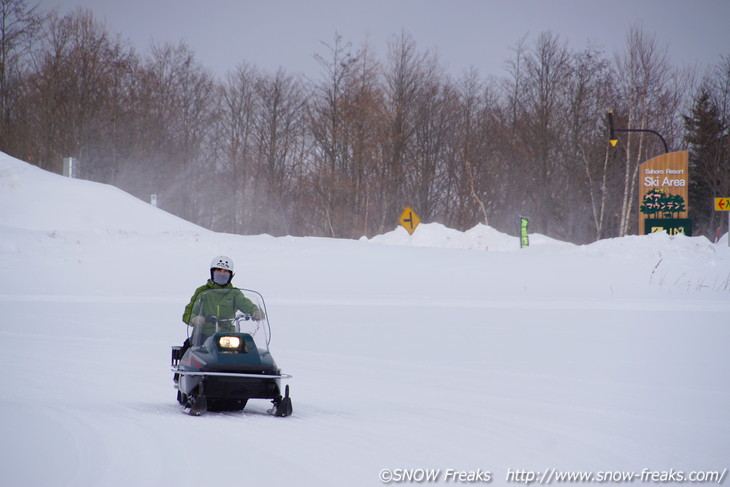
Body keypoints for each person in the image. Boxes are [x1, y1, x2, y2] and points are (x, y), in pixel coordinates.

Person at [180, 255, 264, 349]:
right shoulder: (202, 292)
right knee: (187, 348)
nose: (222, 274)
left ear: (230, 275)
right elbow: (188, 314)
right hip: (204, 335)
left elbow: (245, 303)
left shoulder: (234, 293)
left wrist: (255, 311)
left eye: (225, 272)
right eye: (218, 271)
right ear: (212, 272)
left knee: (248, 351)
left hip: (228, 336)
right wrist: (194, 319)